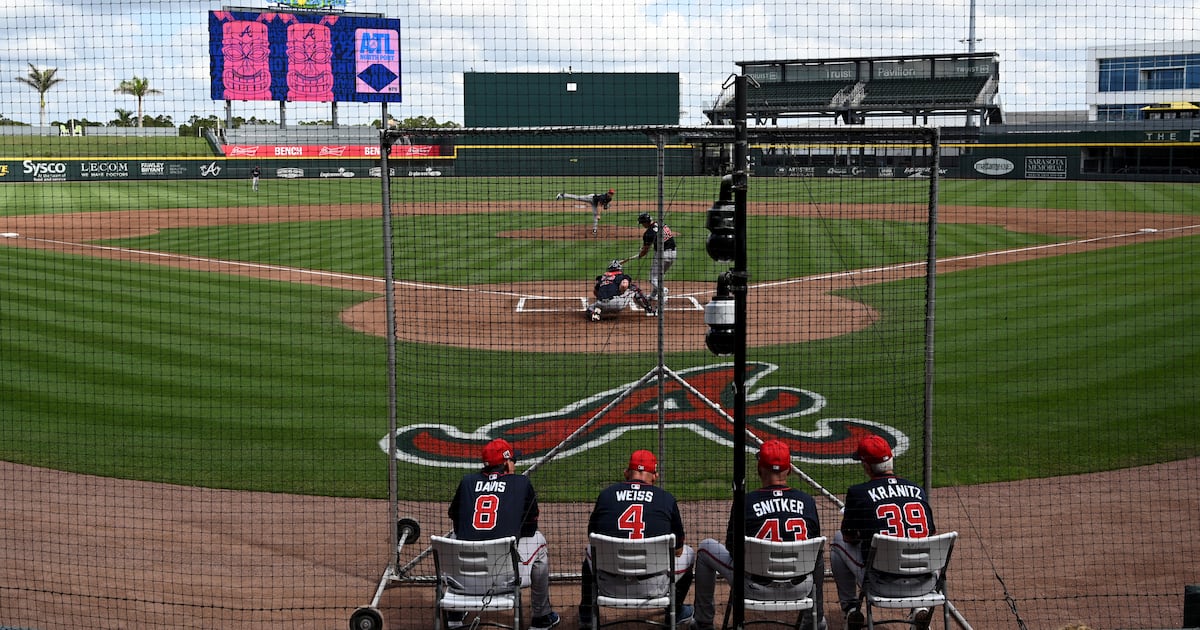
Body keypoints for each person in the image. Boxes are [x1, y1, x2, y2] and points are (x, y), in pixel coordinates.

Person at [692, 440, 823, 630]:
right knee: (817, 555)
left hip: (753, 588)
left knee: (706, 548)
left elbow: (731, 547)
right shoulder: (807, 501)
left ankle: (703, 623)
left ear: (759, 469)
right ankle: (815, 622)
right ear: (790, 470)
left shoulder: (745, 501)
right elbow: (813, 546)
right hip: (800, 588)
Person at [448, 438, 561, 630]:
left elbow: (456, 521)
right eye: (513, 461)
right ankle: (541, 616)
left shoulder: (467, 482)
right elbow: (530, 529)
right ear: (507, 463)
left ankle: (455, 612)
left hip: (463, 581)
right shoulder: (521, 483)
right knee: (538, 540)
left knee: (452, 537)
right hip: (505, 580)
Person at [579, 450, 695, 629]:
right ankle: (675, 611)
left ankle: (587, 616)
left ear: (626, 472)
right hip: (654, 587)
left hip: (609, 585)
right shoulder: (666, 499)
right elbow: (678, 550)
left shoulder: (606, 496)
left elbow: (592, 537)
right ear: (655, 475)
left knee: (590, 550)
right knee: (689, 553)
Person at [830, 435, 937, 630]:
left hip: (881, 583)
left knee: (837, 541)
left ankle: (851, 609)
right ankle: (920, 606)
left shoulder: (858, 493)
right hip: (924, 583)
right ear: (891, 458)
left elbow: (848, 536)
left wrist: (866, 530)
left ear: (867, 466)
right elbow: (930, 533)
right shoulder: (918, 490)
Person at [622, 212, 677, 314]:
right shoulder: (662, 224)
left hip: (662, 255)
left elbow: (644, 252)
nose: (642, 225)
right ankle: (653, 295)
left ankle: (662, 290)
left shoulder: (648, 233)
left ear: (645, 222)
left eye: (642, 223)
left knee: (653, 278)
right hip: (673, 254)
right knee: (660, 275)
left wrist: (638, 255)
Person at [586, 259, 654, 322]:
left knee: (590, 308)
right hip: (617, 304)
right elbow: (624, 285)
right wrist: (621, 292)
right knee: (634, 288)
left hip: (600, 304)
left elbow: (595, 292)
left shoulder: (602, 278)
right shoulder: (622, 276)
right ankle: (649, 309)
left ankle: (594, 313)